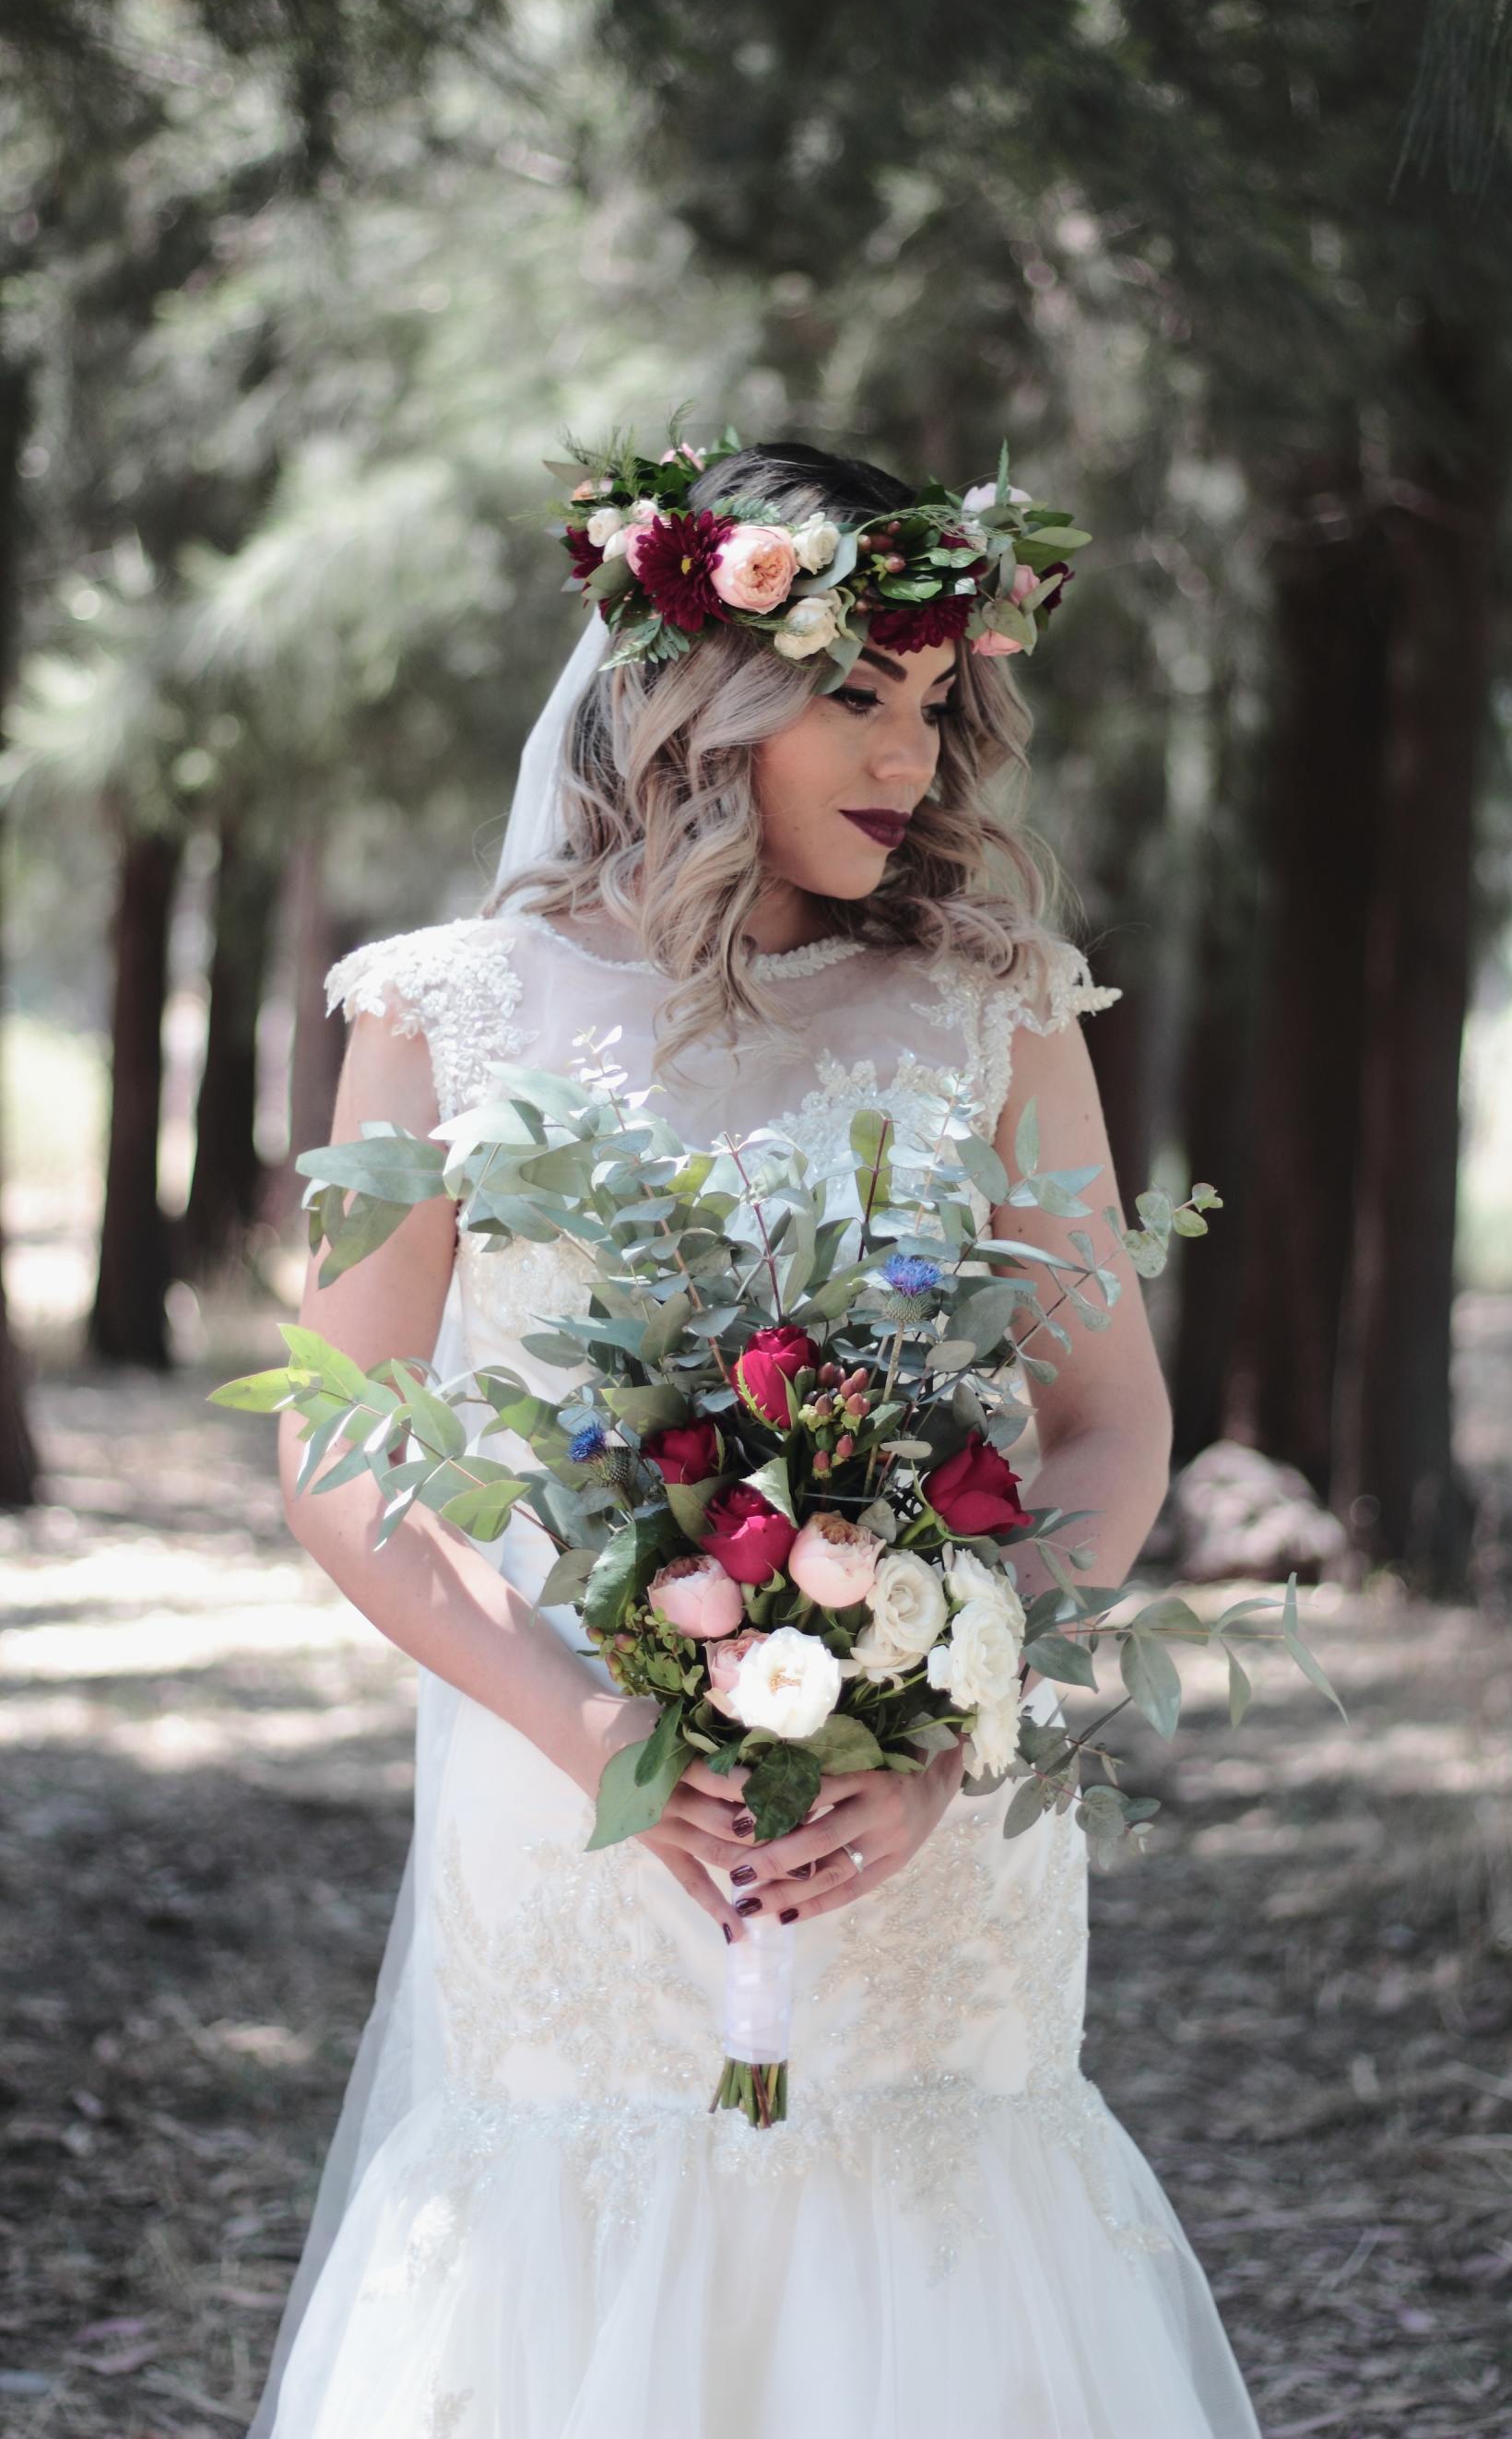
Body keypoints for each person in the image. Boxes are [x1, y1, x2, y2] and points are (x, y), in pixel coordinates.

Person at [248, 435, 1262, 2438]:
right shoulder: (446, 1011)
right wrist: (590, 1724)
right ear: (697, 697)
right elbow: (343, 1448)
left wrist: (949, 1735)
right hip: (577, 1804)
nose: (913, 754)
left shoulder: (995, 1006)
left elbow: (1104, 1419)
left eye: (940, 699)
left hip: (923, 1845)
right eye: (858, 694)